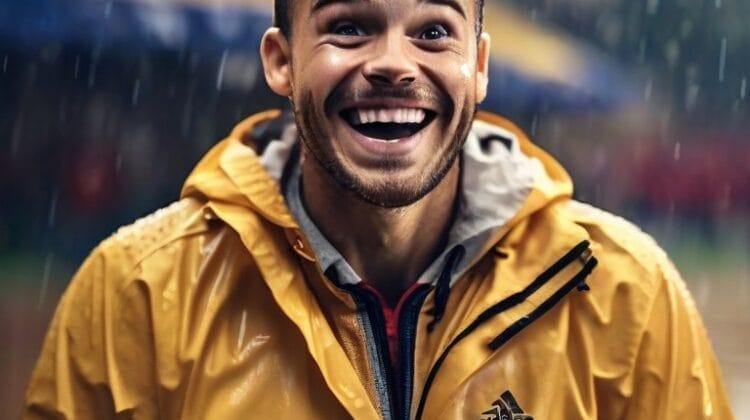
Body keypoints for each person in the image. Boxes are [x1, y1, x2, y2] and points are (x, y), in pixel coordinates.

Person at [24, 0, 734, 418]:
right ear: (280, 60)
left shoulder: (629, 294)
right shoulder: (134, 294)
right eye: (350, 26)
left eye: (432, 31)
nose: (394, 62)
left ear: (479, 66)